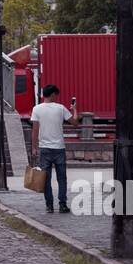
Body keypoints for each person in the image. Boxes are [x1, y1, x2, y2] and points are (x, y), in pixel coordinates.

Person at [31, 84, 78, 214]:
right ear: (52, 94)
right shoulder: (61, 108)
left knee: (45, 179)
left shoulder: (37, 109)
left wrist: (34, 148)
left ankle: (49, 205)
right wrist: (74, 109)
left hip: (44, 149)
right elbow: (75, 123)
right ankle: (62, 204)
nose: (57, 97)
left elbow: (35, 130)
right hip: (59, 148)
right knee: (62, 178)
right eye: (56, 94)